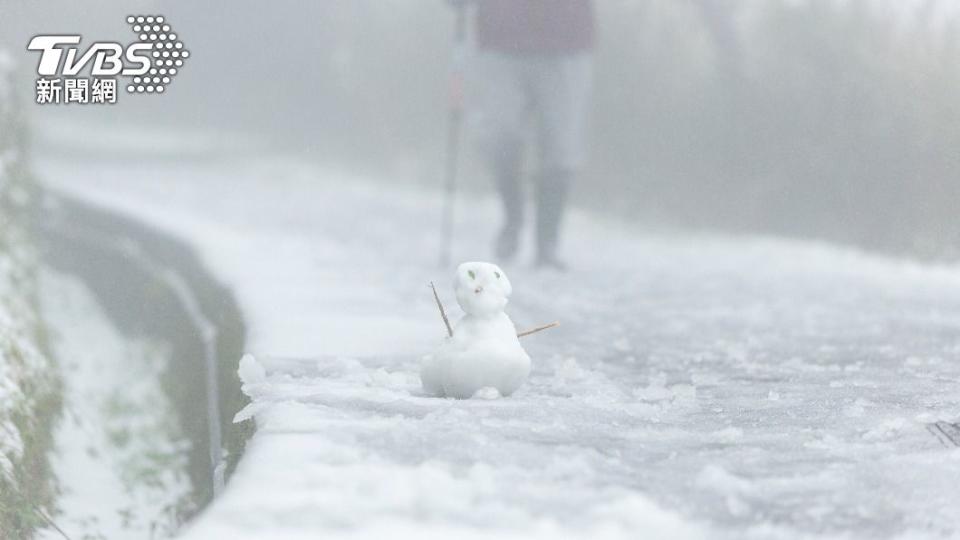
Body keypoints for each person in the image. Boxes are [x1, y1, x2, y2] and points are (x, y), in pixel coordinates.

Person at [455, 0, 595, 270]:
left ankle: (547, 242)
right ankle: (513, 218)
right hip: (501, 38)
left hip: (566, 40)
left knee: (562, 144)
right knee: (499, 134)